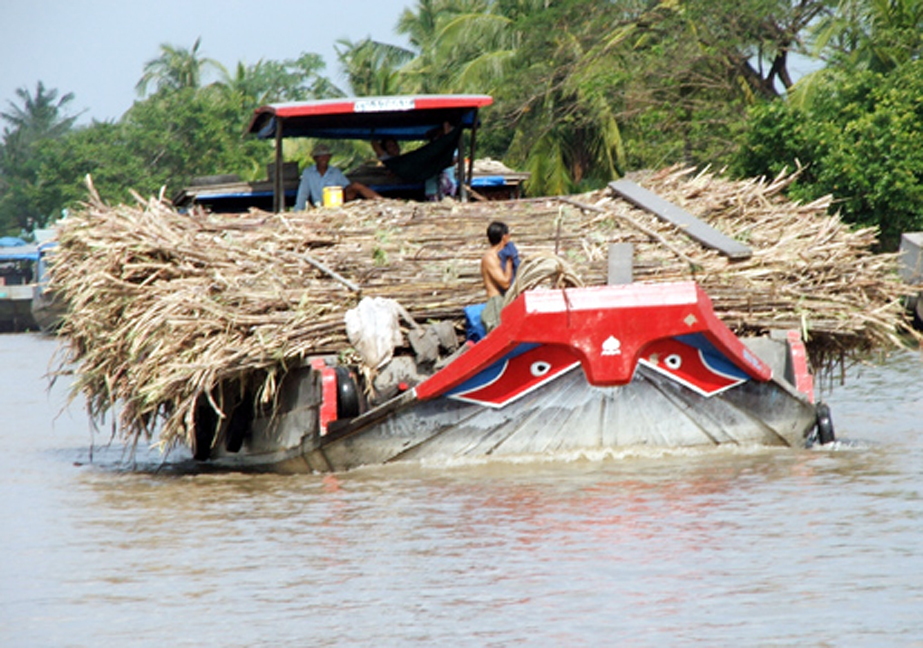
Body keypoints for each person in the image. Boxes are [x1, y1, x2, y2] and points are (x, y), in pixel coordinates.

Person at [294, 143, 381, 210]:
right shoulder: (308, 173)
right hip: (321, 205)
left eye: (326, 156)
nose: (324, 159)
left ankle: (381, 201)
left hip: (337, 203)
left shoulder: (335, 172)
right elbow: (303, 194)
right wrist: (297, 210)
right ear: (315, 158)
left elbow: (347, 186)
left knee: (356, 186)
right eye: (321, 156)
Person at [480, 221, 520, 298]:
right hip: (496, 302)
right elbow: (505, 284)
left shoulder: (502, 256)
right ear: (505, 237)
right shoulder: (490, 258)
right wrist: (509, 261)